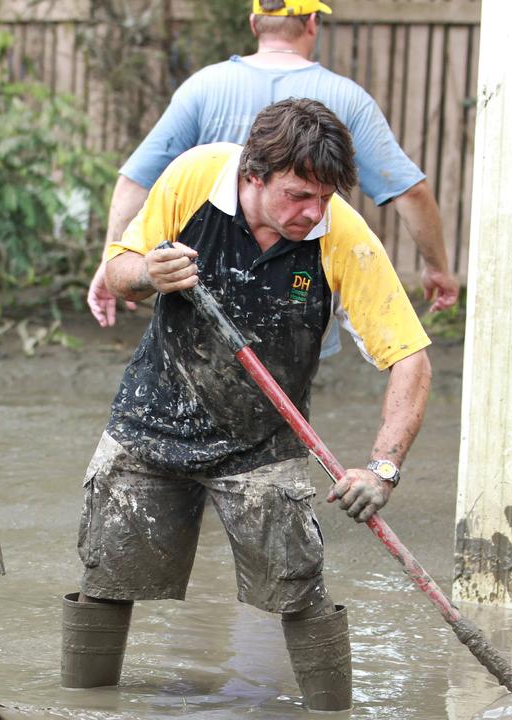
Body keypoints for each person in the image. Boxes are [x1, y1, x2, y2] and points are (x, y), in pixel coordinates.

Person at [63, 98, 432, 711]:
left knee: (299, 591)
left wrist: (383, 468)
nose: (312, 212)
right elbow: (118, 270)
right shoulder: (193, 178)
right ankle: (79, 705)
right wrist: (149, 273)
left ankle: (330, 708)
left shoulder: (340, 235)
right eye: (297, 195)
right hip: (152, 420)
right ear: (252, 174)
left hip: (263, 442)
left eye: (325, 197)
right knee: (107, 577)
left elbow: (411, 359)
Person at [86, 0, 460, 334]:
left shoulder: (204, 88)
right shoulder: (347, 98)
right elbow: (408, 190)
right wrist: (437, 268)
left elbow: (135, 179)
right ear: (312, 22)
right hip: (299, 303)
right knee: (290, 385)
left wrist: (111, 259)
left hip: (200, 306)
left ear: (254, 23)